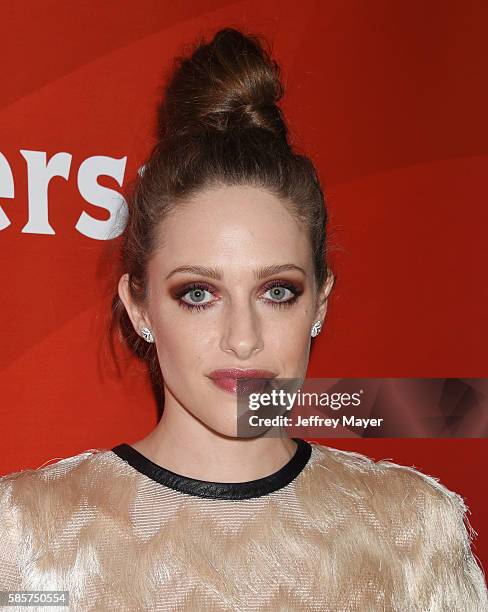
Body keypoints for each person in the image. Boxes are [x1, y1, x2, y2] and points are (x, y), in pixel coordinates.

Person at [1, 28, 487, 612]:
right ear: (139, 306)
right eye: (199, 293)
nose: (243, 338)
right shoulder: (31, 540)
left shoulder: (414, 536)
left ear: (320, 304)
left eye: (277, 291)